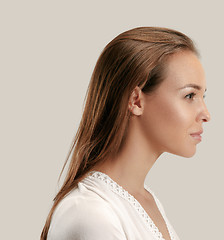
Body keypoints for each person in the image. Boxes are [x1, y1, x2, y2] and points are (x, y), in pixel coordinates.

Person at [40, 26, 211, 240]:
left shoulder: (147, 202)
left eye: (204, 96)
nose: (205, 114)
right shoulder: (92, 213)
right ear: (136, 100)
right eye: (189, 96)